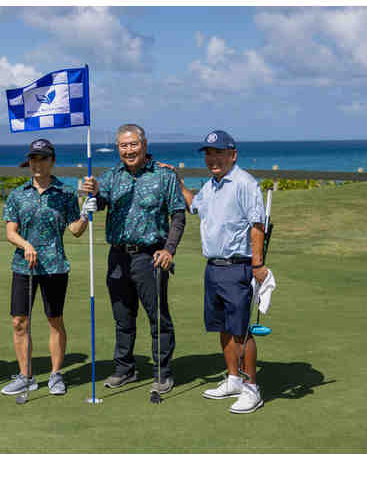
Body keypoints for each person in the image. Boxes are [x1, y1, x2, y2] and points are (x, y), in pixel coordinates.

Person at [82, 124, 186, 395]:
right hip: (118, 256)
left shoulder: (163, 175)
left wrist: (169, 250)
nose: (128, 150)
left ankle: (162, 372)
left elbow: (178, 215)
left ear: (144, 144)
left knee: (158, 317)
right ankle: (124, 369)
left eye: (133, 144)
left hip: (150, 256)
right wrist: (92, 194)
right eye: (123, 146)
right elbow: (100, 202)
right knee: (122, 317)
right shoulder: (111, 176)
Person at [177, 130, 268, 414]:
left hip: (238, 266)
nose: (212, 158)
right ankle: (233, 379)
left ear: (233, 155)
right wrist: (178, 183)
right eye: (208, 153)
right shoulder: (211, 185)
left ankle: (252, 388)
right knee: (223, 327)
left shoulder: (244, 183)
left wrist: (257, 264)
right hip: (213, 267)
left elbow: (257, 225)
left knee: (241, 330)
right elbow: (194, 206)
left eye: (218, 152)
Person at [0, 139, 96, 396]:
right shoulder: (18, 194)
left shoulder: (65, 193)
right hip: (24, 266)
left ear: (52, 161)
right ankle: (26, 376)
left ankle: (55, 374)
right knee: (19, 321)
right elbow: (10, 232)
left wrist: (85, 214)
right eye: (34, 158)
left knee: (55, 320)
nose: (38, 163)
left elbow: (75, 230)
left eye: (43, 158)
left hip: (55, 266)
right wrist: (26, 245)